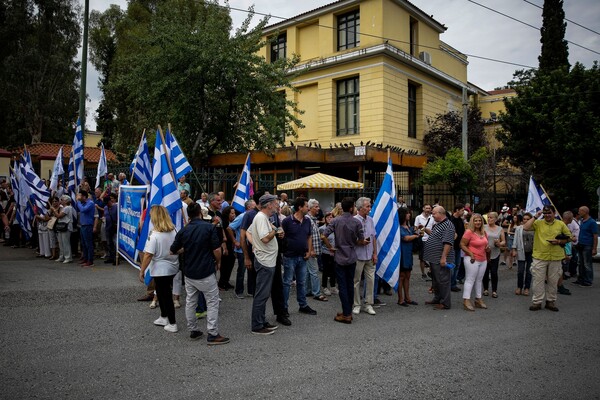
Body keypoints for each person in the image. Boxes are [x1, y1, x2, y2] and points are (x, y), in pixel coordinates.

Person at [170, 203, 230, 345]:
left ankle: (193, 330)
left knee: (191, 301)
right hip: (205, 270)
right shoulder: (208, 228)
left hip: (189, 272)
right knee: (212, 302)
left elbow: (173, 250)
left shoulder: (184, 231)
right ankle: (213, 333)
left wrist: (186, 248)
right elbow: (216, 249)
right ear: (200, 213)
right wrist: (218, 262)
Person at [321, 197, 365, 324]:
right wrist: (355, 241)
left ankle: (346, 313)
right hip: (351, 256)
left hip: (339, 255)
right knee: (350, 284)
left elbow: (323, 235)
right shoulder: (357, 222)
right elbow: (361, 240)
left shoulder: (335, 221)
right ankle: (348, 312)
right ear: (351, 208)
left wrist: (330, 247)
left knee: (343, 285)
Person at [139, 205, 180, 333]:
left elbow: (148, 254)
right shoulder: (174, 230)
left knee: (165, 295)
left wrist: (142, 270)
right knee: (161, 292)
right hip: (172, 266)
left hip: (160, 269)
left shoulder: (155, 234)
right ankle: (163, 316)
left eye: (151, 215)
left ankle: (172, 323)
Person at [523, 205, 572, 312]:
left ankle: (551, 301)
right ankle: (537, 302)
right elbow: (526, 227)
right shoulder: (538, 223)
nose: (547, 215)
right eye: (545, 213)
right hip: (540, 257)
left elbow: (570, 237)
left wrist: (559, 242)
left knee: (553, 281)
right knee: (538, 281)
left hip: (555, 257)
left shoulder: (560, 224)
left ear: (554, 213)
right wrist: (536, 216)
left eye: (549, 213)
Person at [246, 194, 281, 335]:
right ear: (268, 205)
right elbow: (265, 238)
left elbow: (249, 232)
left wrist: (255, 245)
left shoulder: (262, 217)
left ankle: (261, 320)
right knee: (262, 294)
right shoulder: (261, 217)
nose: (277, 205)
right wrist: (275, 230)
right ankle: (257, 325)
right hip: (265, 261)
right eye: (275, 203)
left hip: (266, 260)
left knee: (263, 293)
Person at [281, 197, 317, 316]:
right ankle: (284, 308)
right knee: (287, 283)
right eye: (306, 206)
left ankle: (303, 305)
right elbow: (282, 236)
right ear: (300, 207)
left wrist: (309, 250)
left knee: (301, 282)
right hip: (289, 256)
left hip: (302, 256)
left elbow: (309, 236)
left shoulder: (307, 221)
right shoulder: (287, 221)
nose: (308, 208)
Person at [423, 206, 456, 310]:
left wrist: (443, 258)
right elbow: (435, 236)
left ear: (441, 213)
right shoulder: (438, 224)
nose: (432, 215)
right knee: (436, 280)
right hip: (434, 258)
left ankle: (445, 303)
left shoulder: (448, 225)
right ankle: (437, 298)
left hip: (440, 258)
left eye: (434, 213)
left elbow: (447, 243)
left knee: (443, 280)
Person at [352, 197, 376, 315]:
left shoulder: (371, 220)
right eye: (367, 206)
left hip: (369, 255)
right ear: (360, 208)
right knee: (356, 281)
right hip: (358, 255)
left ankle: (368, 304)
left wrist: (375, 253)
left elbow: (373, 237)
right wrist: (360, 242)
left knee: (371, 280)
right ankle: (357, 304)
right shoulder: (354, 220)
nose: (369, 208)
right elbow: (350, 239)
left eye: (369, 206)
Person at [460, 213, 488, 311]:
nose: (478, 222)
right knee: (470, 279)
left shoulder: (484, 232)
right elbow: (462, 244)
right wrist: (471, 254)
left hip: (483, 259)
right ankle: (466, 300)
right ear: (472, 221)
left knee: (479, 280)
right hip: (471, 259)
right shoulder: (469, 232)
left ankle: (478, 299)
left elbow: (485, 245)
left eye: (480, 220)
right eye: (476, 220)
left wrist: (487, 249)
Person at [306, 199, 327, 302]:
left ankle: (308, 290)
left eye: (318, 206)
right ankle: (317, 293)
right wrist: (311, 250)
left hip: (312, 250)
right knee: (314, 271)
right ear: (310, 208)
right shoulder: (308, 219)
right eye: (316, 207)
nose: (318, 208)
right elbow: (307, 236)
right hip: (311, 251)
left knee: (309, 271)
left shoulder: (313, 219)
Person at [398, 208, 419, 307]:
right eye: (407, 213)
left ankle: (407, 297)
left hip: (408, 254)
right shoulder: (399, 227)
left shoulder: (408, 227)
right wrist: (415, 236)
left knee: (407, 276)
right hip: (402, 254)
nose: (409, 215)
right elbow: (405, 238)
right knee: (401, 276)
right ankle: (400, 299)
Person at [573, 206, 597, 287]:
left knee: (587, 264)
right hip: (581, 245)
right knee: (581, 263)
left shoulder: (592, 222)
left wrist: (594, 248)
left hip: (587, 245)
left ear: (585, 212)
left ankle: (588, 281)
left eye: (580, 211)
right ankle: (581, 279)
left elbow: (595, 236)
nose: (578, 213)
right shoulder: (582, 221)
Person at [483, 212, 505, 298]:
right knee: (485, 272)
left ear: (496, 219)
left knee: (494, 272)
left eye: (491, 218)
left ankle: (494, 291)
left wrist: (499, 243)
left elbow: (503, 241)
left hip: (495, 252)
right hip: (485, 252)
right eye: (488, 217)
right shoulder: (483, 227)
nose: (489, 219)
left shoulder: (500, 229)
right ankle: (485, 289)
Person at [511, 213, 533, 296]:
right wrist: (514, 249)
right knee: (520, 271)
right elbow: (515, 239)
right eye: (524, 219)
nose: (526, 221)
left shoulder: (535, 228)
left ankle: (527, 288)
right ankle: (519, 287)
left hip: (532, 252)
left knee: (529, 271)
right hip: (521, 251)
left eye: (528, 219)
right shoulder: (519, 228)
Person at [319, 212, 337, 296]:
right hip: (326, 252)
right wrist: (329, 247)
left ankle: (333, 286)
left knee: (334, 269)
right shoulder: (322, 228)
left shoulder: (336, 228)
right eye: (328, 217)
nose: (330, 219)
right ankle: (324, 286)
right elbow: (321, 240)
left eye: (332, 217)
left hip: (335, 252)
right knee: (325, 270)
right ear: (325, 219)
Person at [414, 204, 434, 281]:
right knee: (422, 258)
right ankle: (423, 273)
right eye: (426, 208)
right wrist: (418, 232)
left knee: (432, 256)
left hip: (430, 239)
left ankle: (430, 271)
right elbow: (415, 228)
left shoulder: (432, 217)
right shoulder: (418, 217)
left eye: (429, 208)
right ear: (423, 209)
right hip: (422, 239)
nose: (428, 210)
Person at [218, 205, 236, 290]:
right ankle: (222, 283)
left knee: (230, 264)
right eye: (232, 213)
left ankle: (226, 281)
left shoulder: (231, 222)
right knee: (225, 265)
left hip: (230, 246)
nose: (233, 215)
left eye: (234, 213)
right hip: (225, 246)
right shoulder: (224, 223)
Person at [53, 195, 75, 264]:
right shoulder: (62, 208)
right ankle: (62, 256)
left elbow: (59, 216)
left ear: (66, 201)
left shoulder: (67, 208)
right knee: (61, 242)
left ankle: (68, 257)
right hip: (61, 226)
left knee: (65, 242)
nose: (60, 201)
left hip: (66, 226)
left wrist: (54, 210)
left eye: (62, 200)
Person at [76, 190, 95, 267]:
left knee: (88, 244)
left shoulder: (90, 203)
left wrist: (78, 202)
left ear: (84, 196)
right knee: (83, 244)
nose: (78, 197)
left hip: (88, 225)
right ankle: (86, 258)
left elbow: (83, 210)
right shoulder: (83, 203)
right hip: (82, 225)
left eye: (80, 195)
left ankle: (90, 261)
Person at [449, 203, 465, 292]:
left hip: (459, 245)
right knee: (452, 265)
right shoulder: (451, 220)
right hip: (452, 246)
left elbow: (462, 232)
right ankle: (450, 283)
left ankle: (453, 283)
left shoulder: (460, 220)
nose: (463, 212)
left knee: (457, 265)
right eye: (462, 210)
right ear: (457, 210)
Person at [104, 193, 118, 264]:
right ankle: (111, 257)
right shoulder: (106, 208)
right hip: (108, 227)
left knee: (115, 243)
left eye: (108, 203)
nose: (107, 204)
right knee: (109, 243)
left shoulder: (116, 207)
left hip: (115, 227)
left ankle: (116, 258)